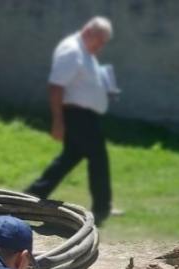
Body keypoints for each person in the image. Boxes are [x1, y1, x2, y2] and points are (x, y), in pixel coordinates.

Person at [25, 17, 119, 226]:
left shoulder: (85, 52)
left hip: (85, 116)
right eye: (99, 42)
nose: (100, 47)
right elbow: (55, 86)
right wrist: (57, 121)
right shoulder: (72, 50)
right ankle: (102, 209)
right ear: (88, 32)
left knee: (69, 158)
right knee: (99, 159)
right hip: (77, 116)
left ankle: (32, 195)